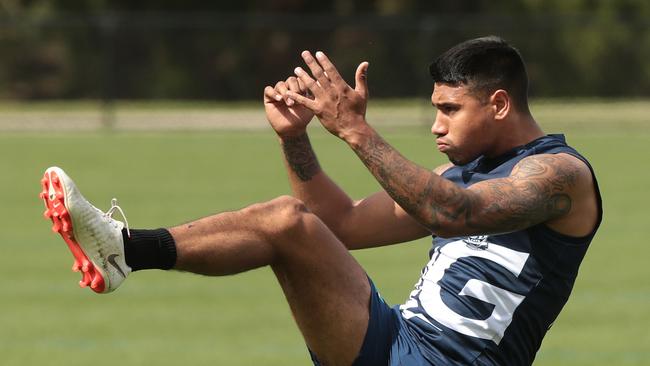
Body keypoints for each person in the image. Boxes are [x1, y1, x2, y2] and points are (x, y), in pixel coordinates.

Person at [40, 36, 601, 365]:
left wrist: (356, 131)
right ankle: (124, 250)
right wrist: (296, 139)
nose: (435, 126)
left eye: (450, 110)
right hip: (396, 339)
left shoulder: (560, 176)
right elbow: (342, 224)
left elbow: (452, 214)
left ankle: (122, 251)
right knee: (289, 221)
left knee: (291, 223)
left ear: (499, 105)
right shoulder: (465, 173)